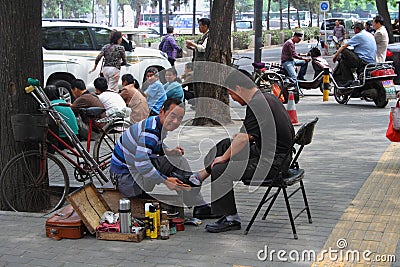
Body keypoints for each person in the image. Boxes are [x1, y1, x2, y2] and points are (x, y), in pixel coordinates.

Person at [189, 71, 295, 233]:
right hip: (272, 154)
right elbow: (250, 134)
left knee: (221, 169)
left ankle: (231, 218)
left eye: (231, 94)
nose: (233, 99)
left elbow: (244, 138)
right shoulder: (266, 97)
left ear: (238, 88)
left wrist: (224, 158)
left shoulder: (257, 104)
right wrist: (231, 147)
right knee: (224, 145)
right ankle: (201, 182)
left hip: (273, 164)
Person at [109, 98, 217, 218]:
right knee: (178, 164)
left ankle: (193, 188)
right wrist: (165, 181)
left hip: (129, 175)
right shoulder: (151, 131)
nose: (176, 121)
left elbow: (152, 146)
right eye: (172, 116)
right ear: (161, 112)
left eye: (180, 118)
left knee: (177, 160)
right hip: (127, 181)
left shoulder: (156, 124)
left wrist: (168, 151)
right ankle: (195, 193)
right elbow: (142, 163)